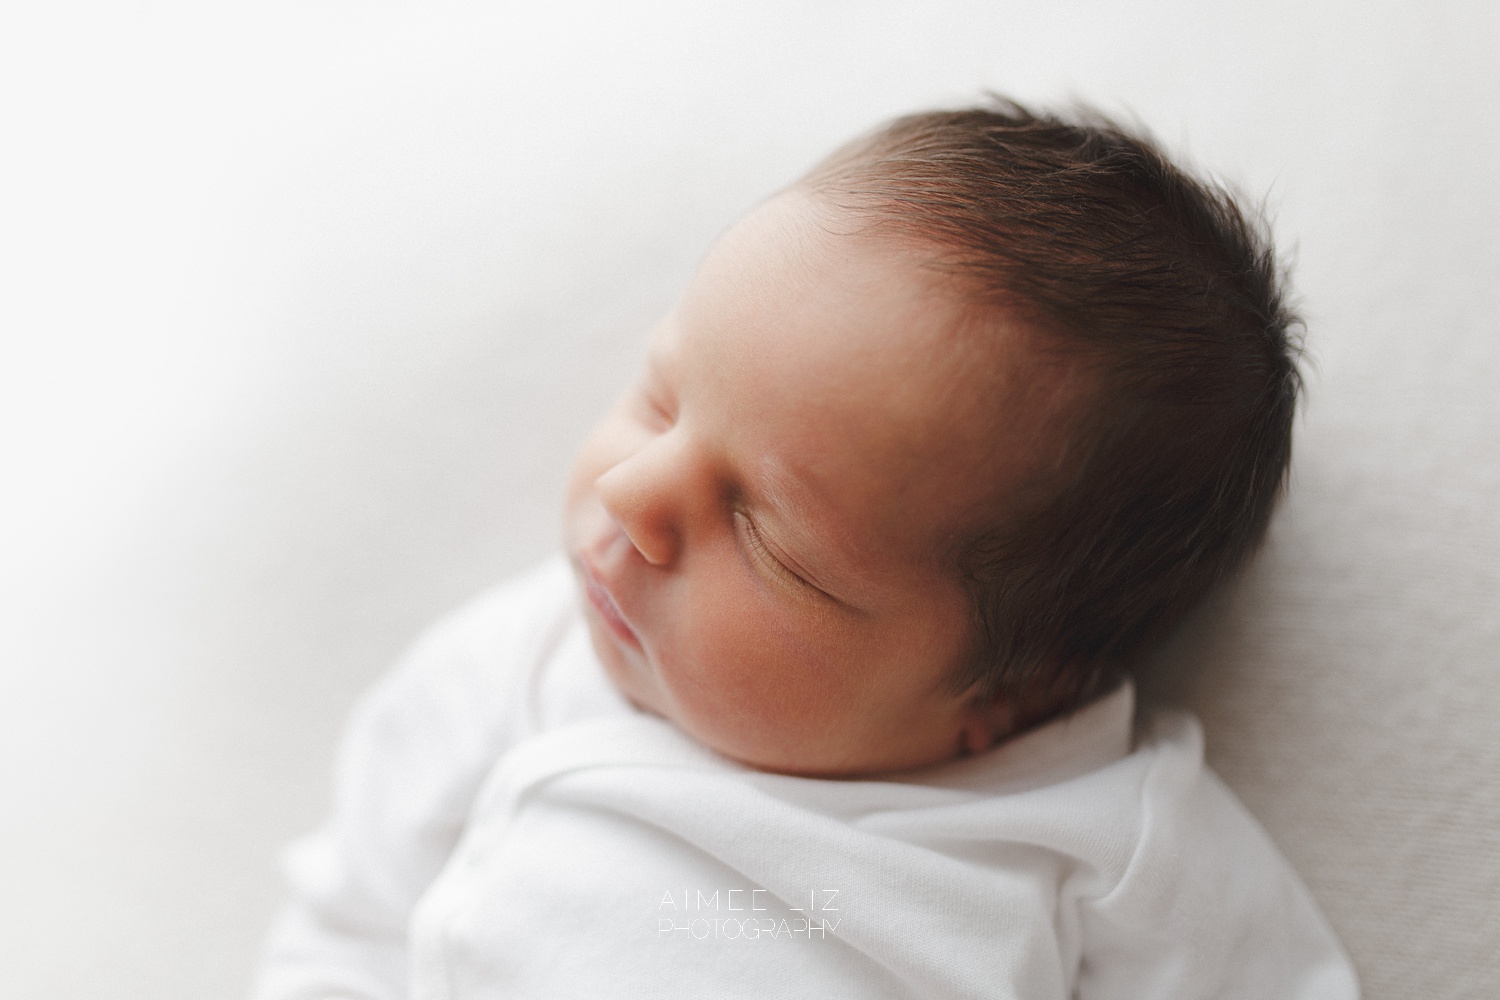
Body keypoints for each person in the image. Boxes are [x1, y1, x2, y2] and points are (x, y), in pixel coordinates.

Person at [252, 100, 1360, 999]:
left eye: (769, 537)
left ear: (1014, 694)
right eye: (659, 395)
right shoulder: (530, 657)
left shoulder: (1100, 836)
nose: (632, 492)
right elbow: (351, 915)